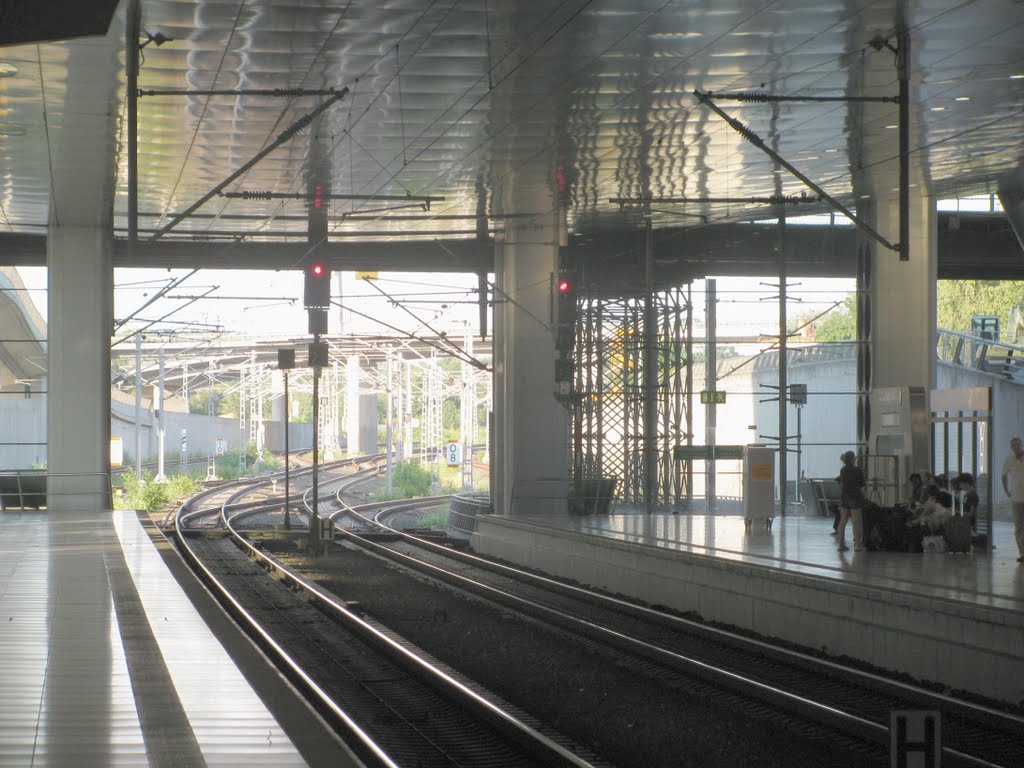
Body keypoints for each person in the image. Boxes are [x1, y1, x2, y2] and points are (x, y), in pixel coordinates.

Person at [836, 450, 867, 552]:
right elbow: (862, 487)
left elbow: (842, 484)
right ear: (853, 459)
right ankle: (858, 545)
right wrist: (864, 498)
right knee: (856, 521)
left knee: (842, 521)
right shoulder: (857, 470)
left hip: (844, 497)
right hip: (855, 497)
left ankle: (840, 545)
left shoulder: (842, 470)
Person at [1000, 436, 1024, 563]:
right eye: (1013, 445)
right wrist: (1006, 490)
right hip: (1016, 498)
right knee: (1018, 527)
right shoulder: (1008, 460)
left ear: (1022, 445)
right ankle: (1022, 553)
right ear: (1011, 447)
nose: (1016, 447)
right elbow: (1003, 476)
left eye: (1018, 445)